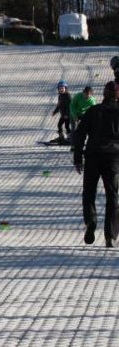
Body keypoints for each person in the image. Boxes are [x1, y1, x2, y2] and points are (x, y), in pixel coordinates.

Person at [72, 81, 119, 248]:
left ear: (104, 94)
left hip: (93, 156)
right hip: (113, 158)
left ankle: (91, 221)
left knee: (89, 192)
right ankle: (110, 235)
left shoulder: (93, 111)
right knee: (112, 196)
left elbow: (79, 134)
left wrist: (78, 158)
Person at [51, 80, 73, 144]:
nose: (61, 89)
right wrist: (54, 112)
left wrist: (67, 114)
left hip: (68, 115)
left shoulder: (68, 96)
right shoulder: (60, 96)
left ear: (65, 88)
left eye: (63, 88)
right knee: (59, 125)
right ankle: (61, 137)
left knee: (66, 126)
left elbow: (70, 106)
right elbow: (59, 105)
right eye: (60, 88)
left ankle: (70, 137)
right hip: (63, 115)